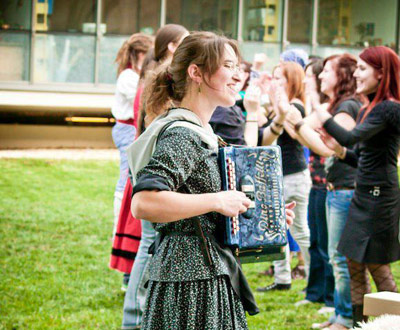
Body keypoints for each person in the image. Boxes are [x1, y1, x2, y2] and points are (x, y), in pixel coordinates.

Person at [128, 31, 295, 330]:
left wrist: (266, 219)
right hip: (188, 282)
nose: (237, 75)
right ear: (196, 72)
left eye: (238, 67)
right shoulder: (182, 134)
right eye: (228, 66)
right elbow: (143, 202)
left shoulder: (201, 131)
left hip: (205, 274)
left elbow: (207, 212)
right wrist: (218, 200)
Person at [312, 46, 400, 327]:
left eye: (363, 68)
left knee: (377, 267)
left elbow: (350, 138)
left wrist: (318, 111)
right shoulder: (369, 108)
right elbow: (358, 156)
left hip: (379, 198)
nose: (357, 74)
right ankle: (360, 324)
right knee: (353, 263)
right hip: (365, 195)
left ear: (382, 72)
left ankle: (392, 323)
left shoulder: (389, 108)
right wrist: (337, 151)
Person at [121, 24, 189, 330]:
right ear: (173, 47)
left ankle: (138, 314)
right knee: (148, 243)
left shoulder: (155, 73)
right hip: (152, 174)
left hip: (149, 173)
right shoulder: (162, 77)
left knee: (150, 243)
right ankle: (133, 317)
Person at [288, 54, 363, 330]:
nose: (320, 76)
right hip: (335, 188)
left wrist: (296, 120)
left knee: (339, 258)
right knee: (333, 254)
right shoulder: (338, 106)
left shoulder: (347, 108)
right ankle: (338, 314)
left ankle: (344, 317)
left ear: (342, 76)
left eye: (326, 71)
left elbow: (327, 146)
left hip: (345, 190)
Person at [257, 62, 311, 293]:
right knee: (276, 228)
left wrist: (280, 107)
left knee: (299, 229)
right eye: (274, 77)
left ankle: (314, 275)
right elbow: (265, 134)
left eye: (280, 78)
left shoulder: (295, 106)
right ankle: (282, 278)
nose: (275, 82)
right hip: (279, 176)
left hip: (294, 175)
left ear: (292, 81)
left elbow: (294, 133)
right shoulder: (281, 106)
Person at [110, 32, 153, 288]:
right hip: (127, 128)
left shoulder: (136, 76)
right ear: (140, 53)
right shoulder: (129, 77)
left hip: (131, 128)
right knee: (127, 178)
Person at [291, 59, 334, 310]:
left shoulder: (328, 108)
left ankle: (330, 297)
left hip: (328, 183)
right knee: (316, 240)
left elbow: (304, 132)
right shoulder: (316, 106)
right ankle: (314, 292)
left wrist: (293, 119)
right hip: (315, 182)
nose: (305, 80)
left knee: (327, 244)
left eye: (310, 76)